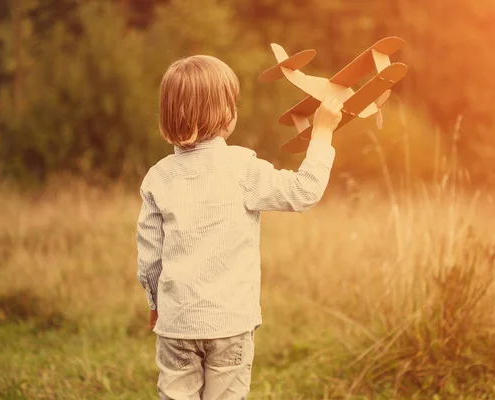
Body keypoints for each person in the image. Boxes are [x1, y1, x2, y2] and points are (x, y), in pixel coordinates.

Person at [136, 54, 342, 400]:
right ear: (225, 115)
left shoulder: (158, 177)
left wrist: (155, 305)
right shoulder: (243, 168)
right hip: (230, 323)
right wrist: (322, 134)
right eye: (232, 102)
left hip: (177, 325)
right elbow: (304, 192)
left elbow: (150, 258)